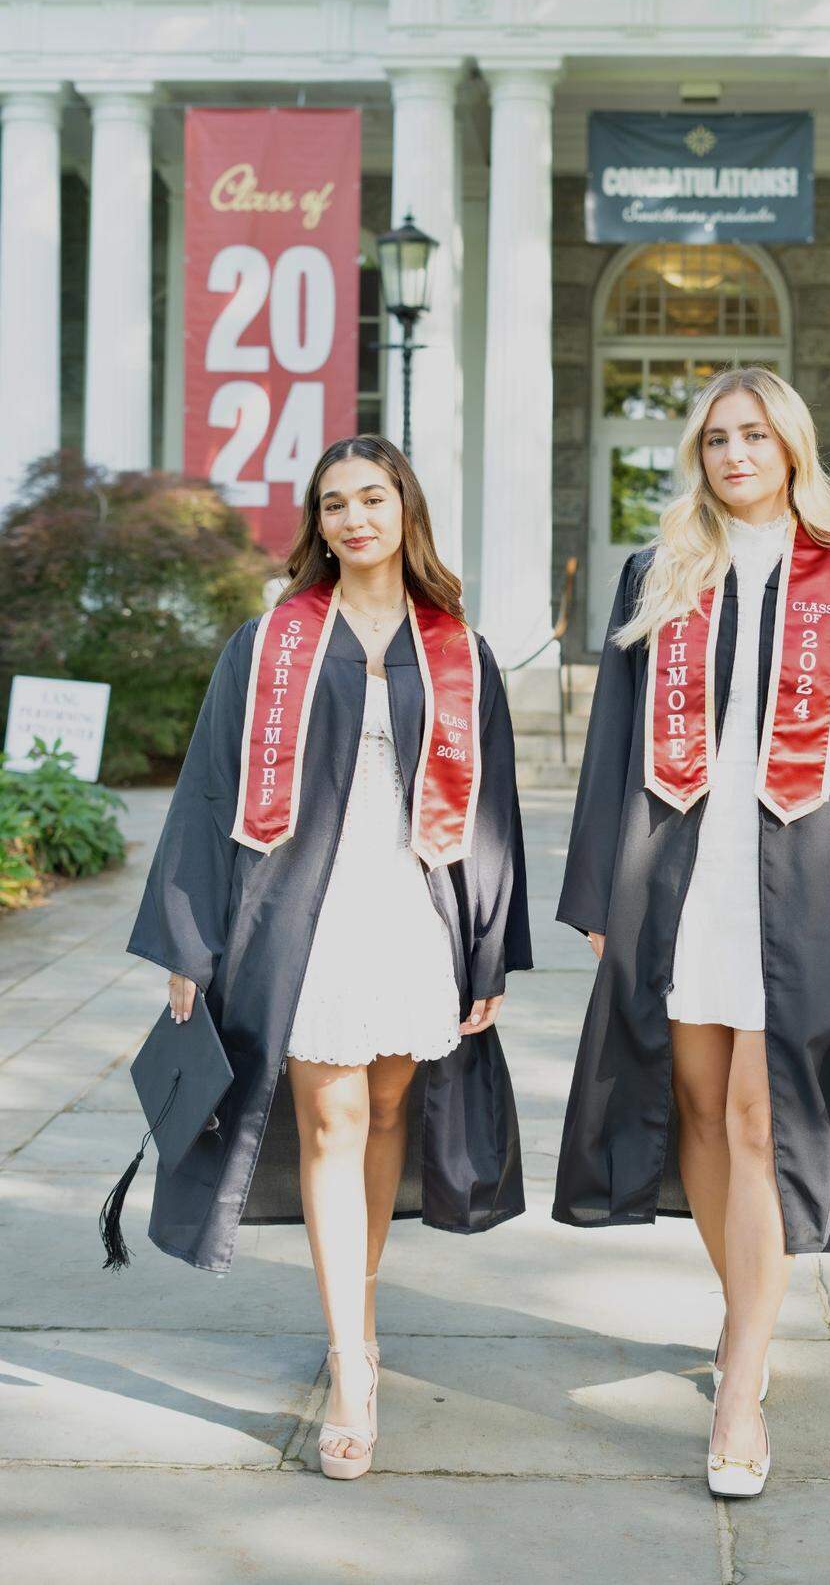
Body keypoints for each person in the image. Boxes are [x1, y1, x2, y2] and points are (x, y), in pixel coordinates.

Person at [552, 367, 830, 1498]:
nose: (734, 454)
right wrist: (599, 895)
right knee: (690, 1099)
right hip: (683, 874)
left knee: (754, 1118)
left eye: (754, 435)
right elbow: (614, 742)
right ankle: (748, 1315)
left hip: (808, 887)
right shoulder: (662, 570)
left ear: (792, 448)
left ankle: (740, 1379)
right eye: (717, 439)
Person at [125, 435, 532, 1480]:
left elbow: (493, 816)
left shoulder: (460, 651)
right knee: (332, 1117)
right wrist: (188, 939)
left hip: (415, 908)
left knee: (390, 1109)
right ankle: (352, 1363)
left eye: (372, 498)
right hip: (298, 911)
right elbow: (210, 790)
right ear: (318, 523)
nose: (355, 519)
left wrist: (489, 950)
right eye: (334, 503)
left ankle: (358, 1311)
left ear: (406, 510)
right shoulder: (269, 644)